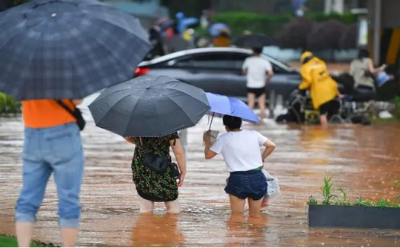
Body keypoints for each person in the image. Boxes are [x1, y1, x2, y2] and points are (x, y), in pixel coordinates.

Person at [16, 99, 84, 248]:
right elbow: (78, 99)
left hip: (32, 132)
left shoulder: (25, 75)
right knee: (68, 199)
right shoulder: (64, 74)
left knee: (27, 199)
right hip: (63, 132)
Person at [203, 115, 276, 215]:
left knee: (236, 217)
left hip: (237, 179)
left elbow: (208, 155)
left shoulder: (223, 139)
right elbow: (271, 145)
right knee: (255, 215)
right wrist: (261, 159)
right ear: (240, 123)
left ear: (225, 126)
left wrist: (207, 141)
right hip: (257, 177)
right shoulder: (254, 134)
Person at [124, 133, 186, 214]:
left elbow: (127, 137)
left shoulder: (137, 124)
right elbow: (179, 153)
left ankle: (147, 225)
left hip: (142, 167)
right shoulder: (168, 127)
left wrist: (141, 143)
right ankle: (170, 225)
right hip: (161, 167)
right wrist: (183, 171)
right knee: (173, 207)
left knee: (145, 208)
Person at [298, 51, 342, 128]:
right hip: (332, 89)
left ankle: (324, 133)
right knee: (331, 112)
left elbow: (308, 81)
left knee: (323, 114)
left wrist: (300, 88)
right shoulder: (321, 63)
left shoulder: (305, 67)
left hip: (322, 94)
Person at [242, 48, 274, 121]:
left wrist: (248, 73)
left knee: (250, 104)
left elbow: (243, 71)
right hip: (261, 85)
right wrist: (267, 79)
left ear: (253, 51)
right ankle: (262, 121)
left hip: (250, 85)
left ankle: (249, 120)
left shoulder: (248, 60)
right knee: (262, 105)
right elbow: (271, 73)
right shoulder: (264, 61)